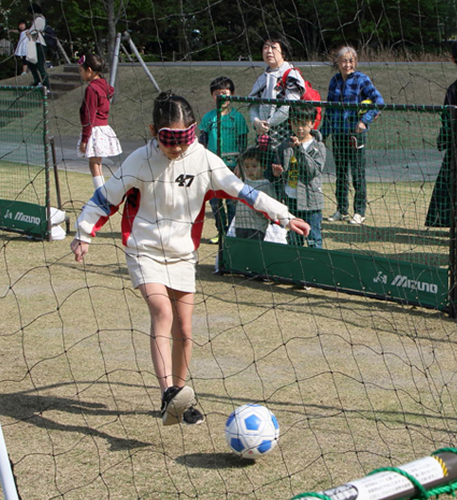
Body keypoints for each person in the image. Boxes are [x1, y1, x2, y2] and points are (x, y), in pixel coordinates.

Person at [70, 92, 310, 427]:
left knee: (185, 327)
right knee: (162, 311)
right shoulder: (139, 160)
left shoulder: (204, 161)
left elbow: (243, 191)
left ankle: (180, 400)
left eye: (185, 138)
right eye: (169, 140)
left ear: (193, 132)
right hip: (145, 249)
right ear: (154, 131)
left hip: (183, 254)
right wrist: (84, 233)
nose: (178, 147)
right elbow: (104, 198)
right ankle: (167, 391)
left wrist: (283, 216)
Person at [321, 46, 384, 225]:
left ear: (355, 62)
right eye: (343, 60)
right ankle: (341, 209)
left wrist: (365, 120)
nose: (347, 64)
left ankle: (359, 211)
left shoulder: (362, 79)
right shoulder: (334, 81)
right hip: (338, 134)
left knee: (357, 174)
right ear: (337, 62)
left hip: (355, 135)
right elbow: (330, 109)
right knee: (340, 174)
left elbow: (378, 101)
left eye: (351, 60)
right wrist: (324, 133)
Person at [199, 76, 248, 243]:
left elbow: (243, 143)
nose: (221, 97)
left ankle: (232, 234)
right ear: (212, 96)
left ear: (232, 94)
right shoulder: (208, 118)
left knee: (232, 202)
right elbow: (202, 141)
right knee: (215, 203)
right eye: (217, 94)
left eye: (225, 93)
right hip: (212, 168)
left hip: (232, 167)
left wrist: (240, 165)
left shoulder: (238, 118)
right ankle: (221, 232)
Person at [272, 105, 326, 248]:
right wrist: (277, 173)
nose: (300, 128)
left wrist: (298, 149)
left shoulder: (318, 146)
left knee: (313, 238)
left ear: (313, 123)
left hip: (311, 202)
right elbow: (281, 171)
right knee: (294, 239)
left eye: (304, 124)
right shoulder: (284, 145)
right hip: (290, 199)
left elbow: (312, 171)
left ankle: (316, 266)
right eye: (296, 123)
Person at [248, 32, 305, 149]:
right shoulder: (262, 78)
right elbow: (253, 105)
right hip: (263, 137)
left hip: (286, 138)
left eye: (273, 47)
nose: (269, 51)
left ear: (283, 51)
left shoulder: (291, 74)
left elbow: (289, 106)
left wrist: (268, 123)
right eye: (265, 47)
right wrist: (257, 122)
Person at [77, 53, 122, 190]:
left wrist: (85, 139)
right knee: (98, 163)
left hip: (94, 129)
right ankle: (102, 192)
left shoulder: (92, 89)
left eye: (81, 71)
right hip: (104, 128)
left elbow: (89, 114)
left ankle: (100, 196)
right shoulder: (104, 86)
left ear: (89, 70)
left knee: (94, 164)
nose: (81, 74)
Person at [425, 41, 457, 228]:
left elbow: (447, 123)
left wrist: (443, 141)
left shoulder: (453, 90)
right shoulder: (453, 90)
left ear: (452, 59)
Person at [234, 146, 276, 241]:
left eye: (254, 166)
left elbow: (272, 206)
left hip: (256, 227)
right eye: (247, 166)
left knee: (254, 252)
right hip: (240, 225)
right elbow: (234, 201)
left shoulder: (266, 185)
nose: (250, 170)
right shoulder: (242, 183)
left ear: (263, 167)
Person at [25, 3, 50, 89]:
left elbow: (34, 30)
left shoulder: (39, 19)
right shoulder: (36, 20)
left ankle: (46, 85)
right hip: (35, 44)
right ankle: (37, 81)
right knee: (31, 63)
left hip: (40, 44)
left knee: (40, 65)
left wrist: (28, 32)